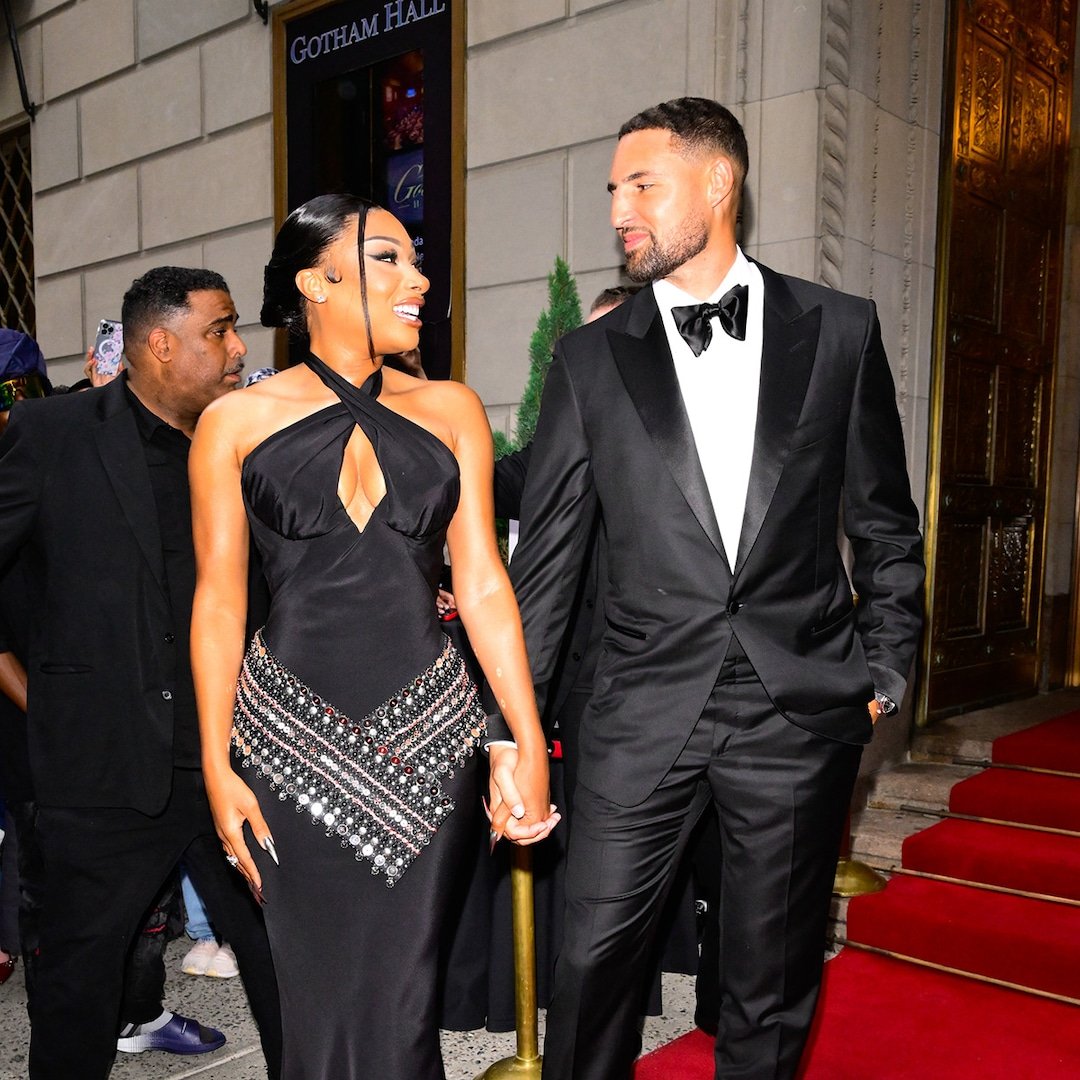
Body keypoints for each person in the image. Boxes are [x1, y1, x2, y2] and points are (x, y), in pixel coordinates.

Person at [492, 97, 925, 1079]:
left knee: (769, 984)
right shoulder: (590, 359)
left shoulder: (841, 330)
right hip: (640, 708)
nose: (620, 210)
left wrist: (884, 672)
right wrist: (509, 732)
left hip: (796, 712)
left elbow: (886, 527)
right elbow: (547, 565)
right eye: (614, 190)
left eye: (643, 185)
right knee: (590, 968)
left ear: (719, 182)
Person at [188, 193, 558, 1079]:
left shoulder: (452, 408)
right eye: (389, 257)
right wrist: (215, 764)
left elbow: (482, 583)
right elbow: (219, 605)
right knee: (314, 1007)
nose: (418, 280)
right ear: (316, 281)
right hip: (286, 747)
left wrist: (524, 734)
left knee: (404, 1003)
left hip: (429, 740)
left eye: (415, 260)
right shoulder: (232, 423)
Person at [0, 268, 283, 1079]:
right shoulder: (54, 434)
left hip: (237, 763)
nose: (238, 349)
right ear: (159, 344)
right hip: (101, 776)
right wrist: (42, 691)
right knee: (79, 992)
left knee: (286, 967)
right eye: (219, 331)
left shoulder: (248, 440)